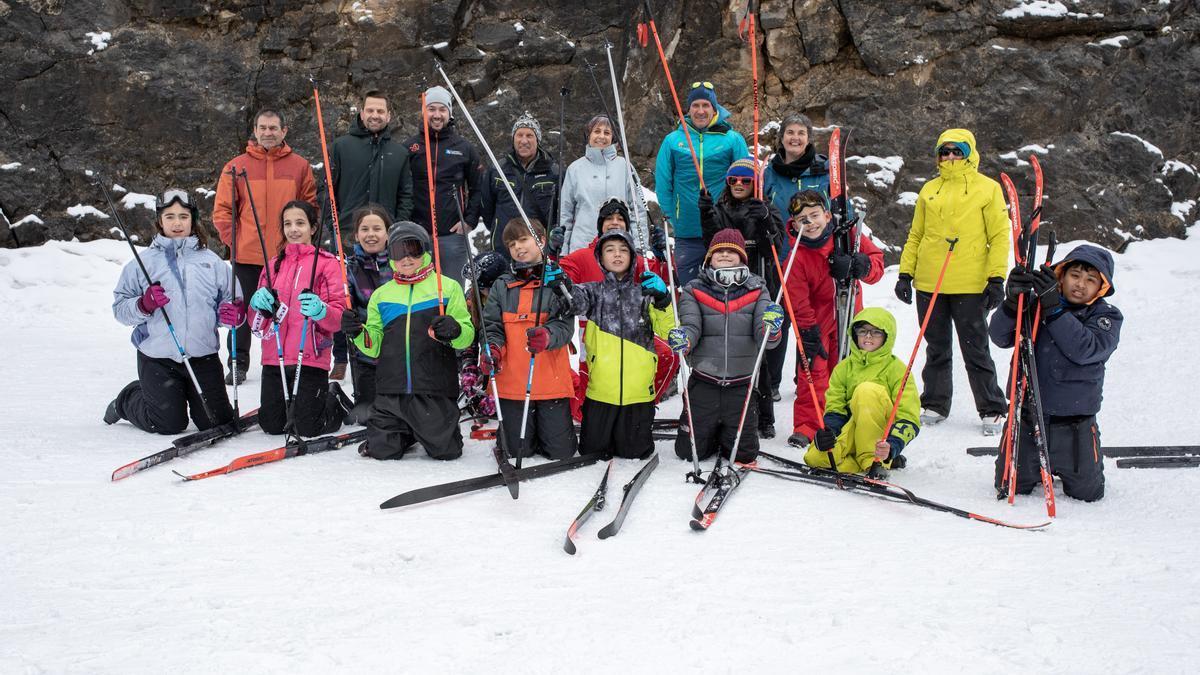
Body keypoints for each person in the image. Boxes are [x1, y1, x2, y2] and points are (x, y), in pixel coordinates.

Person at [896, 128, 1009, 435]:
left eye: (956, 151)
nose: (949, 157)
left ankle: (992, 407)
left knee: (975, 346)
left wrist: (996, 277)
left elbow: (999, 235)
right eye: (944, 151)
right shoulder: (930, 189)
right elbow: (916, 234)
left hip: (970, 283)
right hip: (931, 280)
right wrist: (906, 273)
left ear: (969, 153)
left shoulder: (987, 189)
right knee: (936, 345)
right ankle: (935, 402)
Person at [989, 245, 1122, 502]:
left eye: (1090, 280)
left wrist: (1055, 309)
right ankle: (1031, 468)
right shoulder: (1035, 304)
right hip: (1026, 418)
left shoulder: (1106, 316)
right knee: (1009, 487)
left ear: (1101, 288)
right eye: (1075, 275)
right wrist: (1011, 303)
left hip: (1076, 425)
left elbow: (1084, 349)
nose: (1080, 284)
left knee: (1088, 494)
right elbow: (999, 336)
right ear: (1062, 275)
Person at [106, 190, 241, 434]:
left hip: (203, 355)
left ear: (193, 219)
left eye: (183, 216)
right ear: (160, 221)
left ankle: (174, 396)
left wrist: (232, 314)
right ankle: (129, 399)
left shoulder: (212, 262)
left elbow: (234, 300)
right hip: (158, 358)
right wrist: (143, 305)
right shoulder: (142, 263)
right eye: (169, 217)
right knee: (167, 424)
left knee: (216, 422)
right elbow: (120, 309)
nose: (177, 223)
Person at [342, 221, 475, 460]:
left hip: (433, 389)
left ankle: (424, 430)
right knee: (382, 452)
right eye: (398, 252)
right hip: (391, 392)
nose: (406, 258)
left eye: (413, 249)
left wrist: (455, 330)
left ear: (425, 250)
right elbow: (375, 347)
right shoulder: (382, 296)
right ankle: (405, 431)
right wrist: (358, 333)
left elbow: (466, 337)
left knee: (447, 452)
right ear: (390, 255)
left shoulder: (447, 287)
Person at [214, 108, 318, 385]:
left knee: (289, 309)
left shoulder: (299, 166)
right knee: (243, 310)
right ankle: (238, 362)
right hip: (247, 255)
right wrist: (234, 241)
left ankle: (287, 358)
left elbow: (310, 206)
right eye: (263, 127)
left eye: (273, 128)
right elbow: (223, 211)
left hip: (287, 255)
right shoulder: (235, 166)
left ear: (284, 131)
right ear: (256, 131)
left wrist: (299, 240)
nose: (268, 132)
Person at [761, 112, 857, 403]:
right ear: (782, 137)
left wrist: (846, 235)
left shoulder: (823, 170)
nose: (795, 138)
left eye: (801, 133)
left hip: (816, 257)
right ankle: (772, 381)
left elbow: (841, 208)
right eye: (790, 132)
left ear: (808, 138)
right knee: (780, 318)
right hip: (781, 255)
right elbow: (763, 204)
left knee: (811, 317)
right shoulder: (771, 171)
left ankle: (805, 374)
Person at [668, 229, 783, 464]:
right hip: (704, 383)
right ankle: (711, 431)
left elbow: (765, 337)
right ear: (709, 257)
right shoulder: (694, 289)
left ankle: (725, 433)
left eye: (732, 251)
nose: (725, 255)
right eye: (719, 251)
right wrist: (684, 339)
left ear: (742, 258)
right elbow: (692, 326)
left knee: (744, 454)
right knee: (688, 453)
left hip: (741, 386)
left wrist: (772, 329)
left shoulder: (757, 289)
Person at [783, 190, 884, 448]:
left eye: (815, 215)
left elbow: (876, 264)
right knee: (813, 371)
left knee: (850, 371)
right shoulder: (797, 256)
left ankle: (848, 420)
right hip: (815, 321)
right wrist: (806, 330)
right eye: (802, 219)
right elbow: (796, 297)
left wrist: (858, 264)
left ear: (827, 215)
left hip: (849, 314)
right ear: (794, 224)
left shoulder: (849, 236)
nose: (810, 223)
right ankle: (808, 425)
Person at [559, 198, 676, 421]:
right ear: (600, 225)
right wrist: (553, 258)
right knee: (584, 414)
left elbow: (663, 280)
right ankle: (570, 392)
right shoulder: (583, 256)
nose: (614, 222)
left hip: (633, 335)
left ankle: (644, 406)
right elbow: (563, 283)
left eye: (620, 218)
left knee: (667, 354)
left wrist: (662, 257)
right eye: (609, 219)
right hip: (595, 335)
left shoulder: (633, 258)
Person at [325, 90, 414, 382]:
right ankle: (342, 356)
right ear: (361, 113)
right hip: (349, 235)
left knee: (380, 297)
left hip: (385, 238)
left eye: (381, 111)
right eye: (370, 110)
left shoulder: (399, 153)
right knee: (344, 298)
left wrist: (397, 230)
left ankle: (381, 349)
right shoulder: (341, 146)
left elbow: (406, 194)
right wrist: (332, 224)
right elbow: (328, 188)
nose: (375, 115)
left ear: (389, 116)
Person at [567, 229, 676, 459]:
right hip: (600, 394)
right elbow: (569, 301)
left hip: (638, 394)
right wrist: (559, 279)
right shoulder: (592, 292)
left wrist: (663, 299)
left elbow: (669, 332)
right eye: (610, 250)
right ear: (600, 257)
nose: (617, 255)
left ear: (632, 256)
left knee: (635, 452)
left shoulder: (645, 292)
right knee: (593, 452)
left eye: (623, 250)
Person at [246, 200, 349, 437]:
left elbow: (337, 317)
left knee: (307, 427)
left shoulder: (327, 264)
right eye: (288, 224)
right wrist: (256, 305)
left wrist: (321, 311)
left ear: (313, 228)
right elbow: (255, 323)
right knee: (272, 425)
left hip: (310, 357)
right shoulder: (272, 266)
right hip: (276, 358)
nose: (293, 229)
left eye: (300, 223)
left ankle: (334, 399)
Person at [699, 158, 786, 438]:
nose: (738, 184)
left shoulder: (766, 208)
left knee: (757, 350)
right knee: (730, 346)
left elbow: (775, 245)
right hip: (725, 286)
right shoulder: (721, 208)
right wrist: (706, 216)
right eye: (733, 180)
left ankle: (764, 417)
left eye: (745, 180)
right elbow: (713, 247)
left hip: (758, 279)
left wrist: (764, 222)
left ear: (755, 184)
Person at [481, 218, 578, 459]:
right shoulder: (502, 286)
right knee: (516, 452)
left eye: (524, 239)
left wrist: (547, 335)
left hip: (550, 383)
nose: (518, 248)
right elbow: (491, 326)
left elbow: (566, 326)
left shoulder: (557, 280)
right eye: (512, 244)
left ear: (542, 241)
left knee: (561, 453)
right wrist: (491, 349)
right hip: (512, 385)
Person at [653, 82, 750, 285]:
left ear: (714, 109)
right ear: (688, 109)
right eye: (695, 105)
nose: (700, 111)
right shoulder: (672, 141)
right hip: (687, 230)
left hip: (724, 228)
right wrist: (674, 216)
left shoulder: (732, 139)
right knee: (690, 290)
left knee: (725, 288)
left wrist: (738, 215)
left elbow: (747, 181)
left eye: (705, 105)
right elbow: (663, 183)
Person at [807, 307, 920, 478]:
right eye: (863, 331)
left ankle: (875, 460)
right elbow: (835, 407)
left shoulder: (897, 370)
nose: (868, 336)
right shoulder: (844, 367)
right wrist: (829, 432)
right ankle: (862, 462)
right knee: (816, 458)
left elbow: (909, 417)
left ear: (886, 337)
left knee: (866, 391)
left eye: (875, 332)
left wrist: (893, 445)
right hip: (853, 425)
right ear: (854, 334)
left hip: (881, 436)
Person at [405, 85, 483, 284]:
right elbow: (401, 190)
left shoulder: (464, 148)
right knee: (419, 294)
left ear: (449, 113)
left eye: (442, 109)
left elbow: (478, 188)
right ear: (424, 111)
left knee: (452, 292)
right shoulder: (409, 147)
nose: (437, 115)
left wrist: (469, 221)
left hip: (452, 236)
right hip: (417, 235)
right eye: (431, 109)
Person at [555, 114, 649, 257]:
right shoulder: (574, 169)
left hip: (619, 246)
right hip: (582, 245)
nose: (601, 136)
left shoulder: (625, 166)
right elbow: (565, 213)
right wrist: (562, 251)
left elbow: (638, 210)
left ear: (613, 137)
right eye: (597, 131)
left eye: (607, 132)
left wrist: (639, 247)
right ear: (589, 135)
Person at [339, 204, 395, 420]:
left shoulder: (402, 262)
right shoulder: (350, 268)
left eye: (377, 229)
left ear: (388, 232)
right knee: (366, 416)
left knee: (396, 412)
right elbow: (344, 304)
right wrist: (348, 318)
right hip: (366, 356)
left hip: (399, 356)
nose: (371, 234)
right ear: (356, 234)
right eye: (364, 229)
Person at [480, 112, 560, 261]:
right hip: (503, 245)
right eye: (519, 135)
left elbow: (559, 211)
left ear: (538, 139)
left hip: (538, 248)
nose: (524, 140)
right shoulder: (497, 169)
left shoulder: (553, 172)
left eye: (529, 135)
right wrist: (498, 228)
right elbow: (486, 207)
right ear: (513, 138)